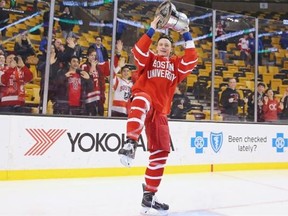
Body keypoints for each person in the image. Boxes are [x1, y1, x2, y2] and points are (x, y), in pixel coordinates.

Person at [117, 15, 198, 215]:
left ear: (171, 49)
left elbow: (192, 59)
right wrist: (152, 28)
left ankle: (149, 197)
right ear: (157, 46)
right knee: (142, 100)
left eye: (167, 45)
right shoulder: (150, 59)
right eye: (161, 44)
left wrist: (186, 33)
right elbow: (138, 51)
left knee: (162, 151)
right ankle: (130, 143)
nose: (163, 46)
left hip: (161, 111)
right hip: (144, 97)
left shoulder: (176, 66)